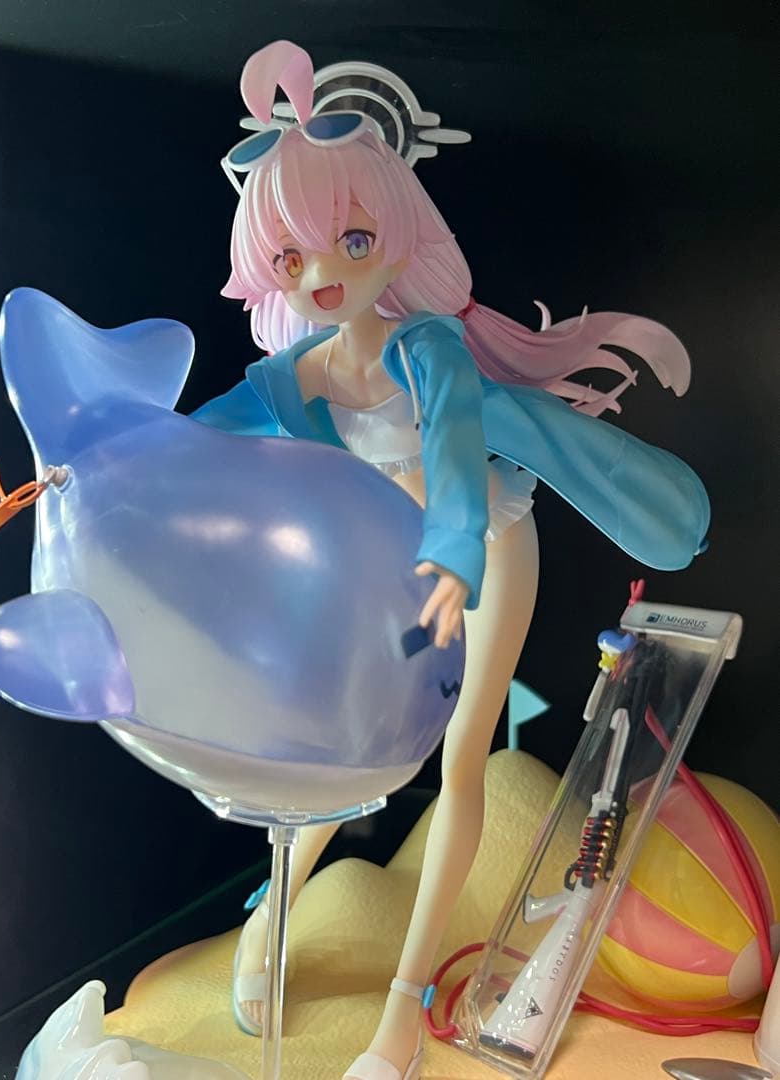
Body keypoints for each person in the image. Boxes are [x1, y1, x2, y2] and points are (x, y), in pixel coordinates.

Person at [191, 39, 710, 1080]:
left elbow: (459, 463)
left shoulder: (426, 349)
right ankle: (270, 917)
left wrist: (454, 555)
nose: (326, 275)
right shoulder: (294, 376)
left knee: (462, 753)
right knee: (340, 741)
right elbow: (199, 439)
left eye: (353, 241)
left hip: (486, 548)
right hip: (388, 562)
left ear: (397, 240)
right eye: (294, 258)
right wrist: (95, 463)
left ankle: (403, 1004)